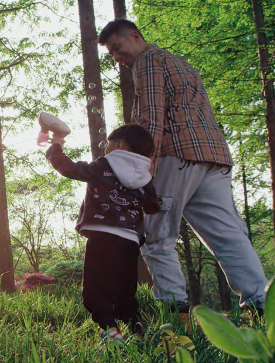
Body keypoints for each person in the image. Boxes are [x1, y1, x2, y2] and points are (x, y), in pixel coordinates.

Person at [98, 19, 268, 315]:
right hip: (212, 158)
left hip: (175, 156)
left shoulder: (147, 61)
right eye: (111, 53)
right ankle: (263, 305)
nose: (117, 57)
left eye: (117, 47)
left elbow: (152, 116)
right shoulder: (180, 62)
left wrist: (142, 167)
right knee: (228, 236)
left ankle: (175, 311)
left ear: (135, 37)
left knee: (157, 236)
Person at [45, 123, 161, 342]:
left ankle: (110, 331)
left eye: (108, 143)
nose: (105, 148)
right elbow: (153, 206)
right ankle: (138, 331)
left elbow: (69, 168)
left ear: (119, 143)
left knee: (96, 289)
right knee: (125, 289)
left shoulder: (103, 165)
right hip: (130, 240)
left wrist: (56, 146)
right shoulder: (146, 178)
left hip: (102, 236)